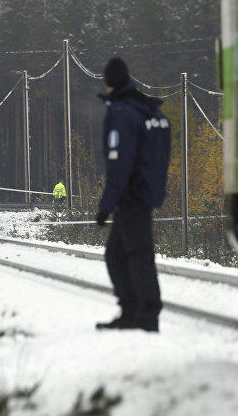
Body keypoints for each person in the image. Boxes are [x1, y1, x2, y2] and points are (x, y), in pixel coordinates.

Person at [94, 57, 171, 333]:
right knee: (117, 255)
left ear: (109, 81)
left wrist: (107, 205)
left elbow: (120, 162)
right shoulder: (151, 112)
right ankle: (131, 311)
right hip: (145, 192)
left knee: (137, 255)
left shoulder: (123, 113)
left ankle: (146, 316)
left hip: (132, 196)